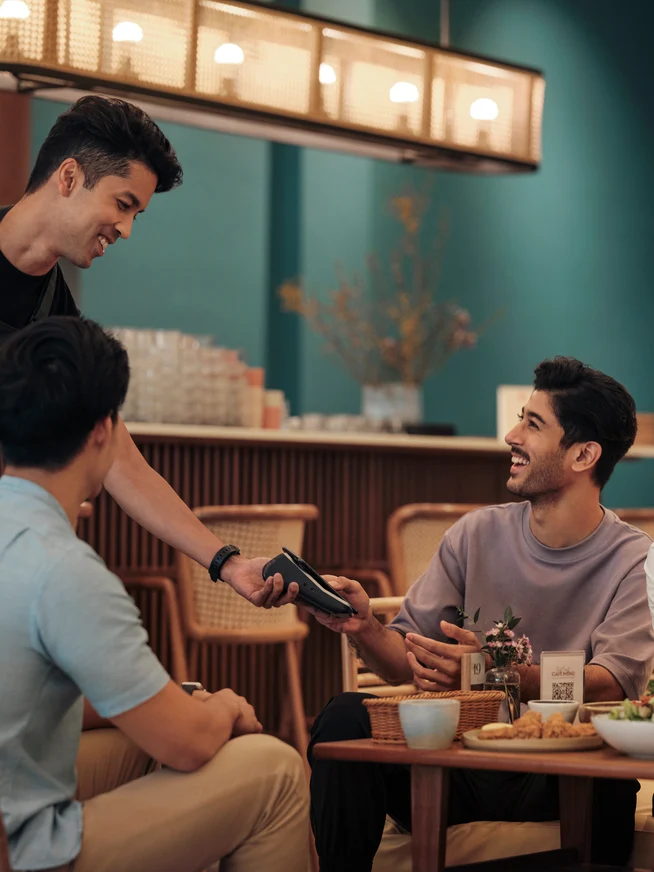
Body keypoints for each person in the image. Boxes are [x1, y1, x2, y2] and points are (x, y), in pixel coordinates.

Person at [308, 356, 654, 871]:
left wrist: (495, 671)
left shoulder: (634, 559)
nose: (512, 435)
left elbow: (610, 683)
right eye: (521, 418)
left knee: (608, 783)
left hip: (559, 772)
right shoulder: (475, 535)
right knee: (342, 716)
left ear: (584, 454)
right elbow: (405, 661)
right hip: (458, 762)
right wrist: (363, 627)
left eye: (533, 424)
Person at [0, 316, 309, 872]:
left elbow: (31, 696)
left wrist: (181, 696)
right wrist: (222, 706)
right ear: (104, 430)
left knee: (156, 748)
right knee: (273, 767)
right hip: (23, 847)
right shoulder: (66, 570)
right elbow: (187, 744)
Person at [0, 94, 298, 609]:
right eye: (123, 204)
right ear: (68, 178)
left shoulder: (59, 319)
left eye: (137, 212)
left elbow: (120, 457)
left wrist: (226, 562)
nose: (127, 229)